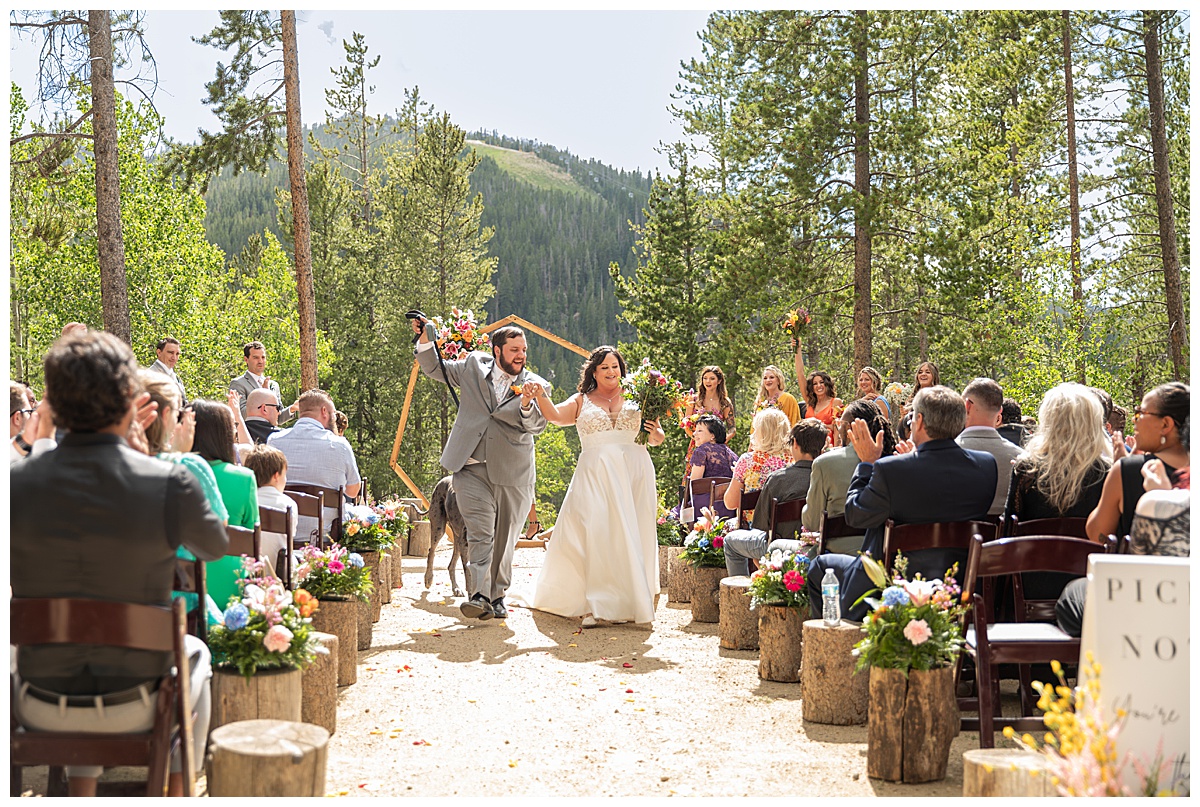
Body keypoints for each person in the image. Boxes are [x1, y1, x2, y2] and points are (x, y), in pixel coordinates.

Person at [11, 330, 226, 797]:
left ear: (53, 402)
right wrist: (156, 459)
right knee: (198, 654)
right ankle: (176, 792)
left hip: (33, 700)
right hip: (140, 701)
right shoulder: (170, 482)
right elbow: (213, 546)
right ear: (129, 399)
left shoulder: (13, 484)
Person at [805, 386, 997, 621]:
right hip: (956, 587)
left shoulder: (890, 470)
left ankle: (836, 646)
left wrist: (866, 464)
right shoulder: (986, 466)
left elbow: (856, 515)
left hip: (891, 587)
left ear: (920, 421)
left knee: (819, 566)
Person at [510, 346, 664, 627]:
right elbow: (555, 416)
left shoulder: (638, 397)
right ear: (594, 371)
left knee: (633, 530)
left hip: (635, 472)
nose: (611, 372)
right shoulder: (582, 400)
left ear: (622, 370)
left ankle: (632, 596)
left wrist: (655, 432)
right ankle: (600, 602)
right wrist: (540, 395)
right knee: (599, 531)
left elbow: (655, 438)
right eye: (604, 367)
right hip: (596, 474)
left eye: (615, 366)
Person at [411, 318, 550, 621]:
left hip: (514, 474)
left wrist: (527, 403)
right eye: (514, 349)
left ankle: (497, 596)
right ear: (496, 350)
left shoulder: (538, 385)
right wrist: (424, 339)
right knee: (480, 533)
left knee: (505, 539)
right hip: (470, 469)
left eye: (524, 350)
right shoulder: (473, 365)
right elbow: (436, 369)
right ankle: (479, 595)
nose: (521, 355)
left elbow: (537, 425)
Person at [1056, 424, 1191, 638]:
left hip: (1164, 600)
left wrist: (1163, 500)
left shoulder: (1147, 488)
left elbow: (1140, 565)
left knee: (1075, 594)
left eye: (1142, 415)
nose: (1137, 424)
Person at [1006, 383, 1111, 602]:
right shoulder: (1107, 472)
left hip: (1031, 585)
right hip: (1089, 586)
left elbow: (1009, 529)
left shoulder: (1027, 469)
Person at [1085, 381, 1189, 542]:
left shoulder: (1129, 470)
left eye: (1140, 413)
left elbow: (1097, 534)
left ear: (1165, 424)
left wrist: (1118, 471)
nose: (1135, 420)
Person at [723, 419, 826, 577]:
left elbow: (761, 526)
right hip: (818, 546)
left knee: (730, 541)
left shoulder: (778, 479)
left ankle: (743, 594)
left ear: (795, 444)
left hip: (776, 545)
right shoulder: (826, 478)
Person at [268, 389, 362, 544]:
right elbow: (353, 491)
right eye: (332, 412)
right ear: (324, 411)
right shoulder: (340, 445)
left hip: (284, 533)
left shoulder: (274, 441)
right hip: (325, 536)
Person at [191, 399, 260, 609]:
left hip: (182, 583)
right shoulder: (244, 478)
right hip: (231, 588)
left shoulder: (174, 470)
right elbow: (251, 538)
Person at [800, 400, 893, 552]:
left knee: (776, 547)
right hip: (883, 554)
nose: (838, 427)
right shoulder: (894, 460)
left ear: (850, 428)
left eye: (840, 423)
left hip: (834, 555)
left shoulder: (824, 463)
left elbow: (812, 522)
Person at [958, 378, 1025, 516]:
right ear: (999, 411)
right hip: (1006, 536)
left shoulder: (947, 454)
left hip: (961, 536)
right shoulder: (1021, 458)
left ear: (967, 406)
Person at [723, 407, 792, 526]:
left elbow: (730, 503)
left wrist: (738, 474)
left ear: (762, 433)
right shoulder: (793, 461)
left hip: (753, 530)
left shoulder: (747, 461)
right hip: (787, 530)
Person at [678, 365, 736, 503]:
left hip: (718, 447)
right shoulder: (694, 399)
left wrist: (719, 441)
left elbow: (732, 428)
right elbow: (685, 422)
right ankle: (687, 506)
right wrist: (696, 437)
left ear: (719, 381)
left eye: (712, 378)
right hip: (696, 444)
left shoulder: (725, 403)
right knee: (693, 476)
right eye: (705, 378)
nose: (708, 381)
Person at [242, 444, 298, 579]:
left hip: (248, 573)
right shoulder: (288, 504)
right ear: (276, 476)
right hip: (279, 575)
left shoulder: (244, 501)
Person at [684, 414, 739, 519]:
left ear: (712, 435)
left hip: (704, 508)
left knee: (673, 515)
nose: (694, 434)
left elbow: (694, 484)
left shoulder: (701, 451)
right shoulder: (732, 454)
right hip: (729, 508)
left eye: (699, 431)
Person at [229, 340, 297, 422]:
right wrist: (264, 395)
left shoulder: (273, 385)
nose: (260, 361)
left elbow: (278, 418)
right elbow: (241, 414)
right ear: (246, 359)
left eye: (263, 357)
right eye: (256, 358)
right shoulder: (238, 383)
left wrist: (292, 408)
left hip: (271, 434)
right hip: (251, 434)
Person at [792, 334, 843, 434]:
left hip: (829, 445)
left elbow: (838, 427)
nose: (818, 386)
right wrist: (798, 349)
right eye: (815, 384)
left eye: (821, 382)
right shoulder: (810, 402)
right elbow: (800, 374)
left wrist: (817, 425)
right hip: (810, 444)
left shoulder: (836, 402)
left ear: (827, 384)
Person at [898, 361, 939, 439]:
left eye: (927, 372)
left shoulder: (937, 397)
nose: (923, 374)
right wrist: (903, 415)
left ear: (934, 376)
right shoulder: (911, 397)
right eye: (920, 372)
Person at [149, 336, 187, 405]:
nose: (174, 358)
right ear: (159, 352)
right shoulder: (151, 376)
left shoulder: (176, 377)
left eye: (177, 354)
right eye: (170, 353)